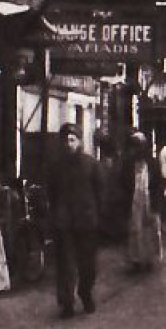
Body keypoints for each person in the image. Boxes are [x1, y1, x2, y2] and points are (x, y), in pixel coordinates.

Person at [48, 123, 105, 317]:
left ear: (79, 141)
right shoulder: (55, 167)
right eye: (65, 140)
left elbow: (100, 193)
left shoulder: (91, 164)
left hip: (87, 222)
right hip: (64, 223)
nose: (68, 144)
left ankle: (85, 291)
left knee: (88, 265)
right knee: (66, 264)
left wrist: (98, 216)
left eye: (72, 140)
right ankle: (67, 303)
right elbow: (51, 195)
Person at [122, 131, 163, 272]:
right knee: (135, 229)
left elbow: (158, 184)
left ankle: (150, 259)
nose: (136, 150)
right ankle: (136, 260)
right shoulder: (128, 165)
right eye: (134, 146)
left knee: (151, 230)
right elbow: (123, 184)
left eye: (139, 146)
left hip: (149, 199)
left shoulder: (152, 163)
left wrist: (157, 203)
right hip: (134, 200)